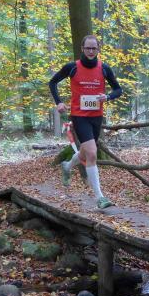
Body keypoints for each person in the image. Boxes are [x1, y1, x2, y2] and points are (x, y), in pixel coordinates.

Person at [49, 35, 122, 209]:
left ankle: (67, 165)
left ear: (98, 49)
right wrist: (59, 102)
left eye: (93, 48)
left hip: (96, 117)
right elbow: (52, 82)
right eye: (87, 48)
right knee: (92, 153)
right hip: (79, 116)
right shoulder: (72, 67)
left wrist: (108, 96)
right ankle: (100, 197)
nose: (90, 51)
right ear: (82, 48)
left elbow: (118, 89)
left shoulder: (104, 68)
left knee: (85, 153)